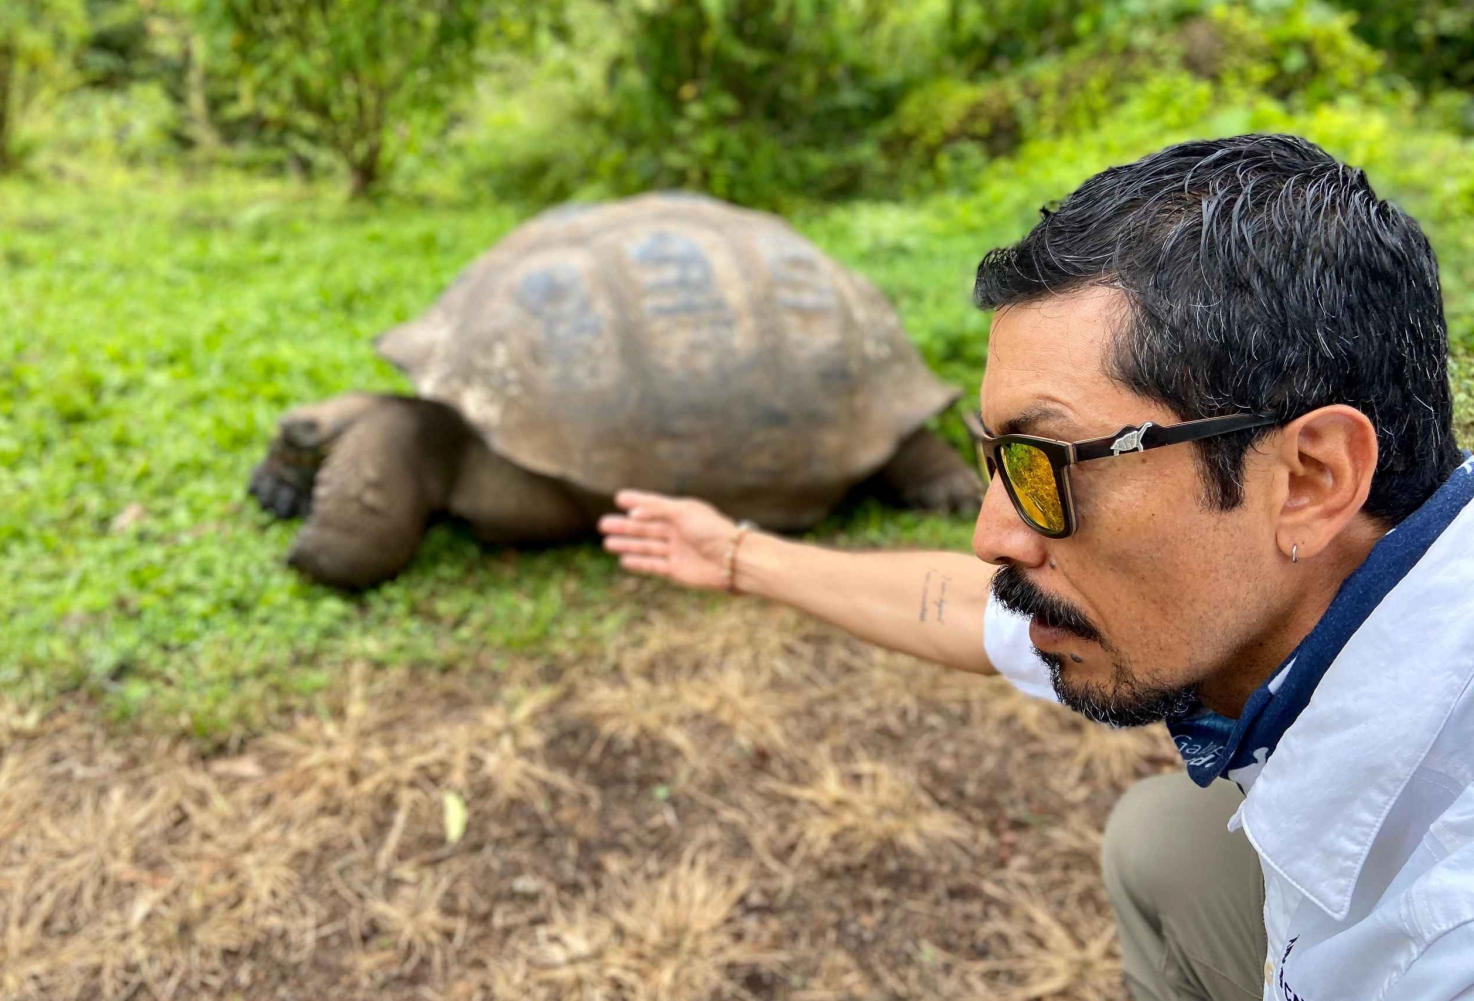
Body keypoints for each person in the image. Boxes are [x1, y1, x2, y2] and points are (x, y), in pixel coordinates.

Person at [597, 134, 1474, 1001]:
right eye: (1000, 459)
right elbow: (977, 610)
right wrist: (739, 554)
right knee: (1166, 839)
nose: (993, 536)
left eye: (1050, 462)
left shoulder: (1443, 931)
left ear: (1311, 478)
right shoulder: (1374, 571)